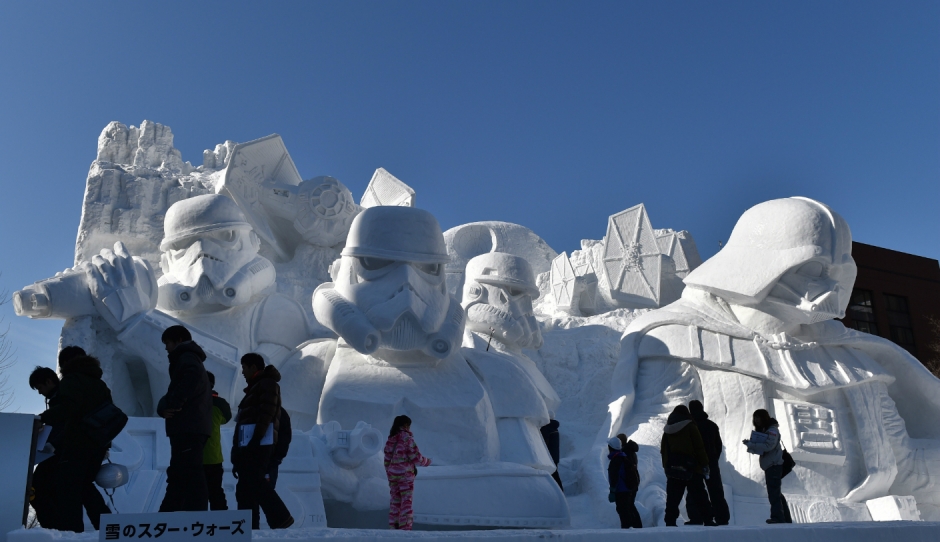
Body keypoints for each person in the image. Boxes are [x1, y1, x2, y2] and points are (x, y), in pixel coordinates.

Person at [38, 353, 113, 532]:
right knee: (85, 486)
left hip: (78, 443)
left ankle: (71, 532)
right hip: (98, 443)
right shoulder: (99, 384)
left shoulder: (72, 381)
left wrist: (42, 418)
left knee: (67, 488)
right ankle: (108, 527)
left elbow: (68, 409)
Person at [232, 353, 294, 530]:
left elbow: (266, 415)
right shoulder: (254, 390)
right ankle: (247, 528)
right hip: (250, 446)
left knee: (255, 481)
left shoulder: (267, 384)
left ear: (253, 367)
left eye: (244, 367)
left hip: (257, 445)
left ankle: (281, 517)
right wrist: (237, 455)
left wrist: (256, 440)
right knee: (245, 488)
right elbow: (242, 426)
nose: (242, 372)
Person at [157, 325, 212, 512]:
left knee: (188, 473)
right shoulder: (189, 357)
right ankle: (175, 516)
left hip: (188, 426)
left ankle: (191, 518)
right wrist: (165, 406)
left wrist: (174, 403)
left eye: (167, 343)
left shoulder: (186, 357)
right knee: (182, 473)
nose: (166, 348)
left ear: (178, 340)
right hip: (191, 425)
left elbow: (191, 379)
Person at [660, 404, 713, 527]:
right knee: (700, 495)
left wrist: (666, 467)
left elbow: (664, 450)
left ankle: (670, 521)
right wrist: (704, 464)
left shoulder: (667, 430)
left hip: (674, 468)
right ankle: (708, 519)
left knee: (673, 498)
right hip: (692, 467)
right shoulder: (690, 427)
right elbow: (699, 447)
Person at [744, 409, 792, 524]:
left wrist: (752, 445)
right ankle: (785, 518)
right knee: (776, 492)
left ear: (764, 418)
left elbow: (769, 446)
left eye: (758, 417)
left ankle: (778, 518)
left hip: (774, 465)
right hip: (770, 465)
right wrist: (752, 446)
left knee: (774, 492)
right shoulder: (765, 430)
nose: (756, 420)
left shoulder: (772, 430)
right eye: (755, 418)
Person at [384, 415, 431, 530]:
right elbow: (416, 457)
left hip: (393, 476)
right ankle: (405, 528)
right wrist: (427, 462)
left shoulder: (391, 439)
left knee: (395, 501)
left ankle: (393, 526)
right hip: (405, 476)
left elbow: (387, 460)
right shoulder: (407, 438)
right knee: (406, 501)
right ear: (405, 425)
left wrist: (390, 474)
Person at [688, 400, 730, 525]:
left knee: (694, 491)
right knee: (716, 491)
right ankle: (722, 518)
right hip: (711, 463)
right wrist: (713, 459)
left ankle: (697, 517)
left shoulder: (690, 426)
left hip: (695, 463)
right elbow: (718, 445)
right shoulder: (711, 425)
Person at [204, 371, 232, 510]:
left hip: (193, 456)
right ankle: (222, 523)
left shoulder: (191, 402)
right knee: (216, 492)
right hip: (214, 457)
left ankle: (196, 525)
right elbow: (227, 417)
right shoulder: (219, 404)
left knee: (196, 495)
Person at [607, 436, 642, 528]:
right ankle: (637, 528)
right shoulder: (623, 457)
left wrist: (612, 491)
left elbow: (615, 477)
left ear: (610, 448)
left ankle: (627, 533)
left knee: (623, 512)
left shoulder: (616, 460)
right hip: (628, 488)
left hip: (621, 490)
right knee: (629, 508)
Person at [266, 408, 292, 489]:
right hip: (249, 463)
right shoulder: (248, 407)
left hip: (269, 463)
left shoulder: (278, 412)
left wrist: (276, 459)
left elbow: (285, 437)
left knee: (266, 494)